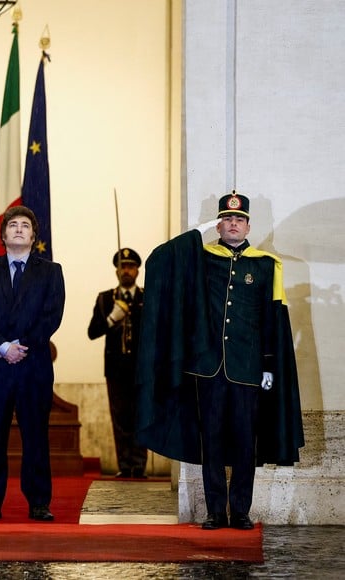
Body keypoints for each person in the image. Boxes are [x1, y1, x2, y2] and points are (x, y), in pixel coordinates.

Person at [136, 191, 304, 531]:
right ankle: (215, 511)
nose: (232, 224)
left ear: (247, 225)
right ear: (219, 224)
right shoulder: (201, 257)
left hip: (248, 368)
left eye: (238, 219)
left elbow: (273, 320)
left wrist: (269, 368)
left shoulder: (265, 264)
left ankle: (240, 510)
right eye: (226, 219)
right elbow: (161, 258)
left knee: (246, 442)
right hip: (207, 367)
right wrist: (200, 229)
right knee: (209, 440)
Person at [0, 205, 66, 522]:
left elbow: (52, 316)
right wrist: (3, 345)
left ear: (34, 236)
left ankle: (39, 502)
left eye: (26, 225)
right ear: (3, 235)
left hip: (33, 365)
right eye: (13, 225)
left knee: (35, 436)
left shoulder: (51, 272)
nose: (19, 229)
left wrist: (21, 346)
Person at [87, 248, 148, 479]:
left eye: (130, 266)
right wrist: (112, 317)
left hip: (142, 370)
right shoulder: (105, 298)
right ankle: (125, 464)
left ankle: (139, 466)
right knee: (120, 417)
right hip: (116, 369)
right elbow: (92, 332)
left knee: (141, 417)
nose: (126, 271)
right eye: (122, 267)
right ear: (116, 271)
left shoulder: (147, 297)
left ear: (137, 270)